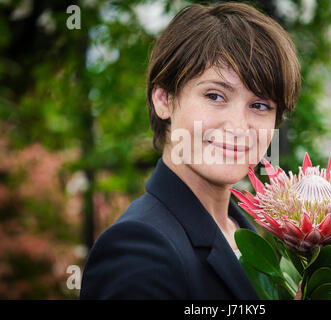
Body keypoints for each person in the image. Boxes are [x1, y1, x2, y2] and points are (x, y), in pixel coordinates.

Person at [80, 2, 301, 299]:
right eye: (215, 95)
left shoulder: (253, 240)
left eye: (259, 105)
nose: (238, 126)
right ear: (164, 99)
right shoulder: (139, 250)